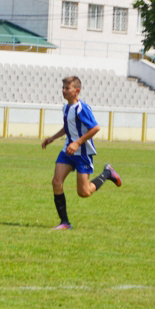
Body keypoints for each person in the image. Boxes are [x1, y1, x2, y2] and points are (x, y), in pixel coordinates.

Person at [41, 75, 121, 229]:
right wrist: (52, 138)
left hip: (82, 153)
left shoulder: (82, 108)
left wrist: (78, 142)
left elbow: (95, 128)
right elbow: (68, 127)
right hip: (68, 151)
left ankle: (107, 173)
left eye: (67, 88)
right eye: (63, 88)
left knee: (84, 192)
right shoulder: (66, 107)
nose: (63, 91)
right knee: (56, 182)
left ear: (77, 91)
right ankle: (65, 223)